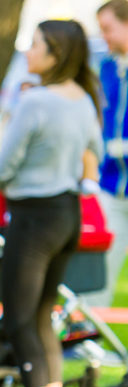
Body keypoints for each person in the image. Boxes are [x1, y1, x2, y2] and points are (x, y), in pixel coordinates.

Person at [0, 20, 102, 387]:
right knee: (42, 316)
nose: (28, 52)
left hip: (34, 216)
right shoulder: (84, 100)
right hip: (68, 212)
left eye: (35, 45)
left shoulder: (35, 102)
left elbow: (0, 170)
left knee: (20, 318)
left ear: (55, 54)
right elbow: (95, 150)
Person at [92, 0, 128, 308]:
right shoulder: (107, 67)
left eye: (108, 29)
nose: (104, 37)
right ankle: (90, 337)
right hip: (111, 185)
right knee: (99, 266)